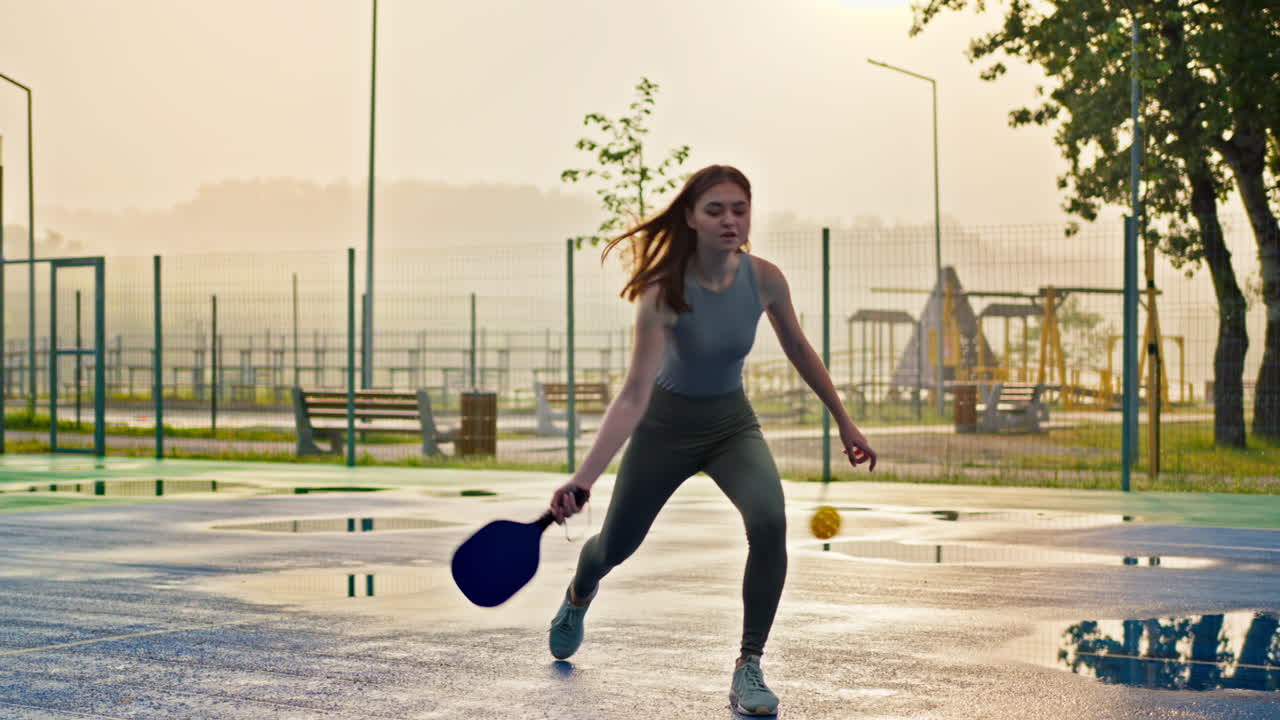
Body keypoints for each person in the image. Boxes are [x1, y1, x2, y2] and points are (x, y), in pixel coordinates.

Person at [545, 164, 876, 716]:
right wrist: (583, 479)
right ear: (692, 219)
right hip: (662, 429)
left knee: (770, 520)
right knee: (616, 547)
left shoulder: (765, 279)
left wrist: (844, 419)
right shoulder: (661, 291)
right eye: (715, 210)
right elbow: (633, 395)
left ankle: (749, 665)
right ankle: (580, 591)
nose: (730, 220)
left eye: (739, 209)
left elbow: (799, 349)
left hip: (730, 426)